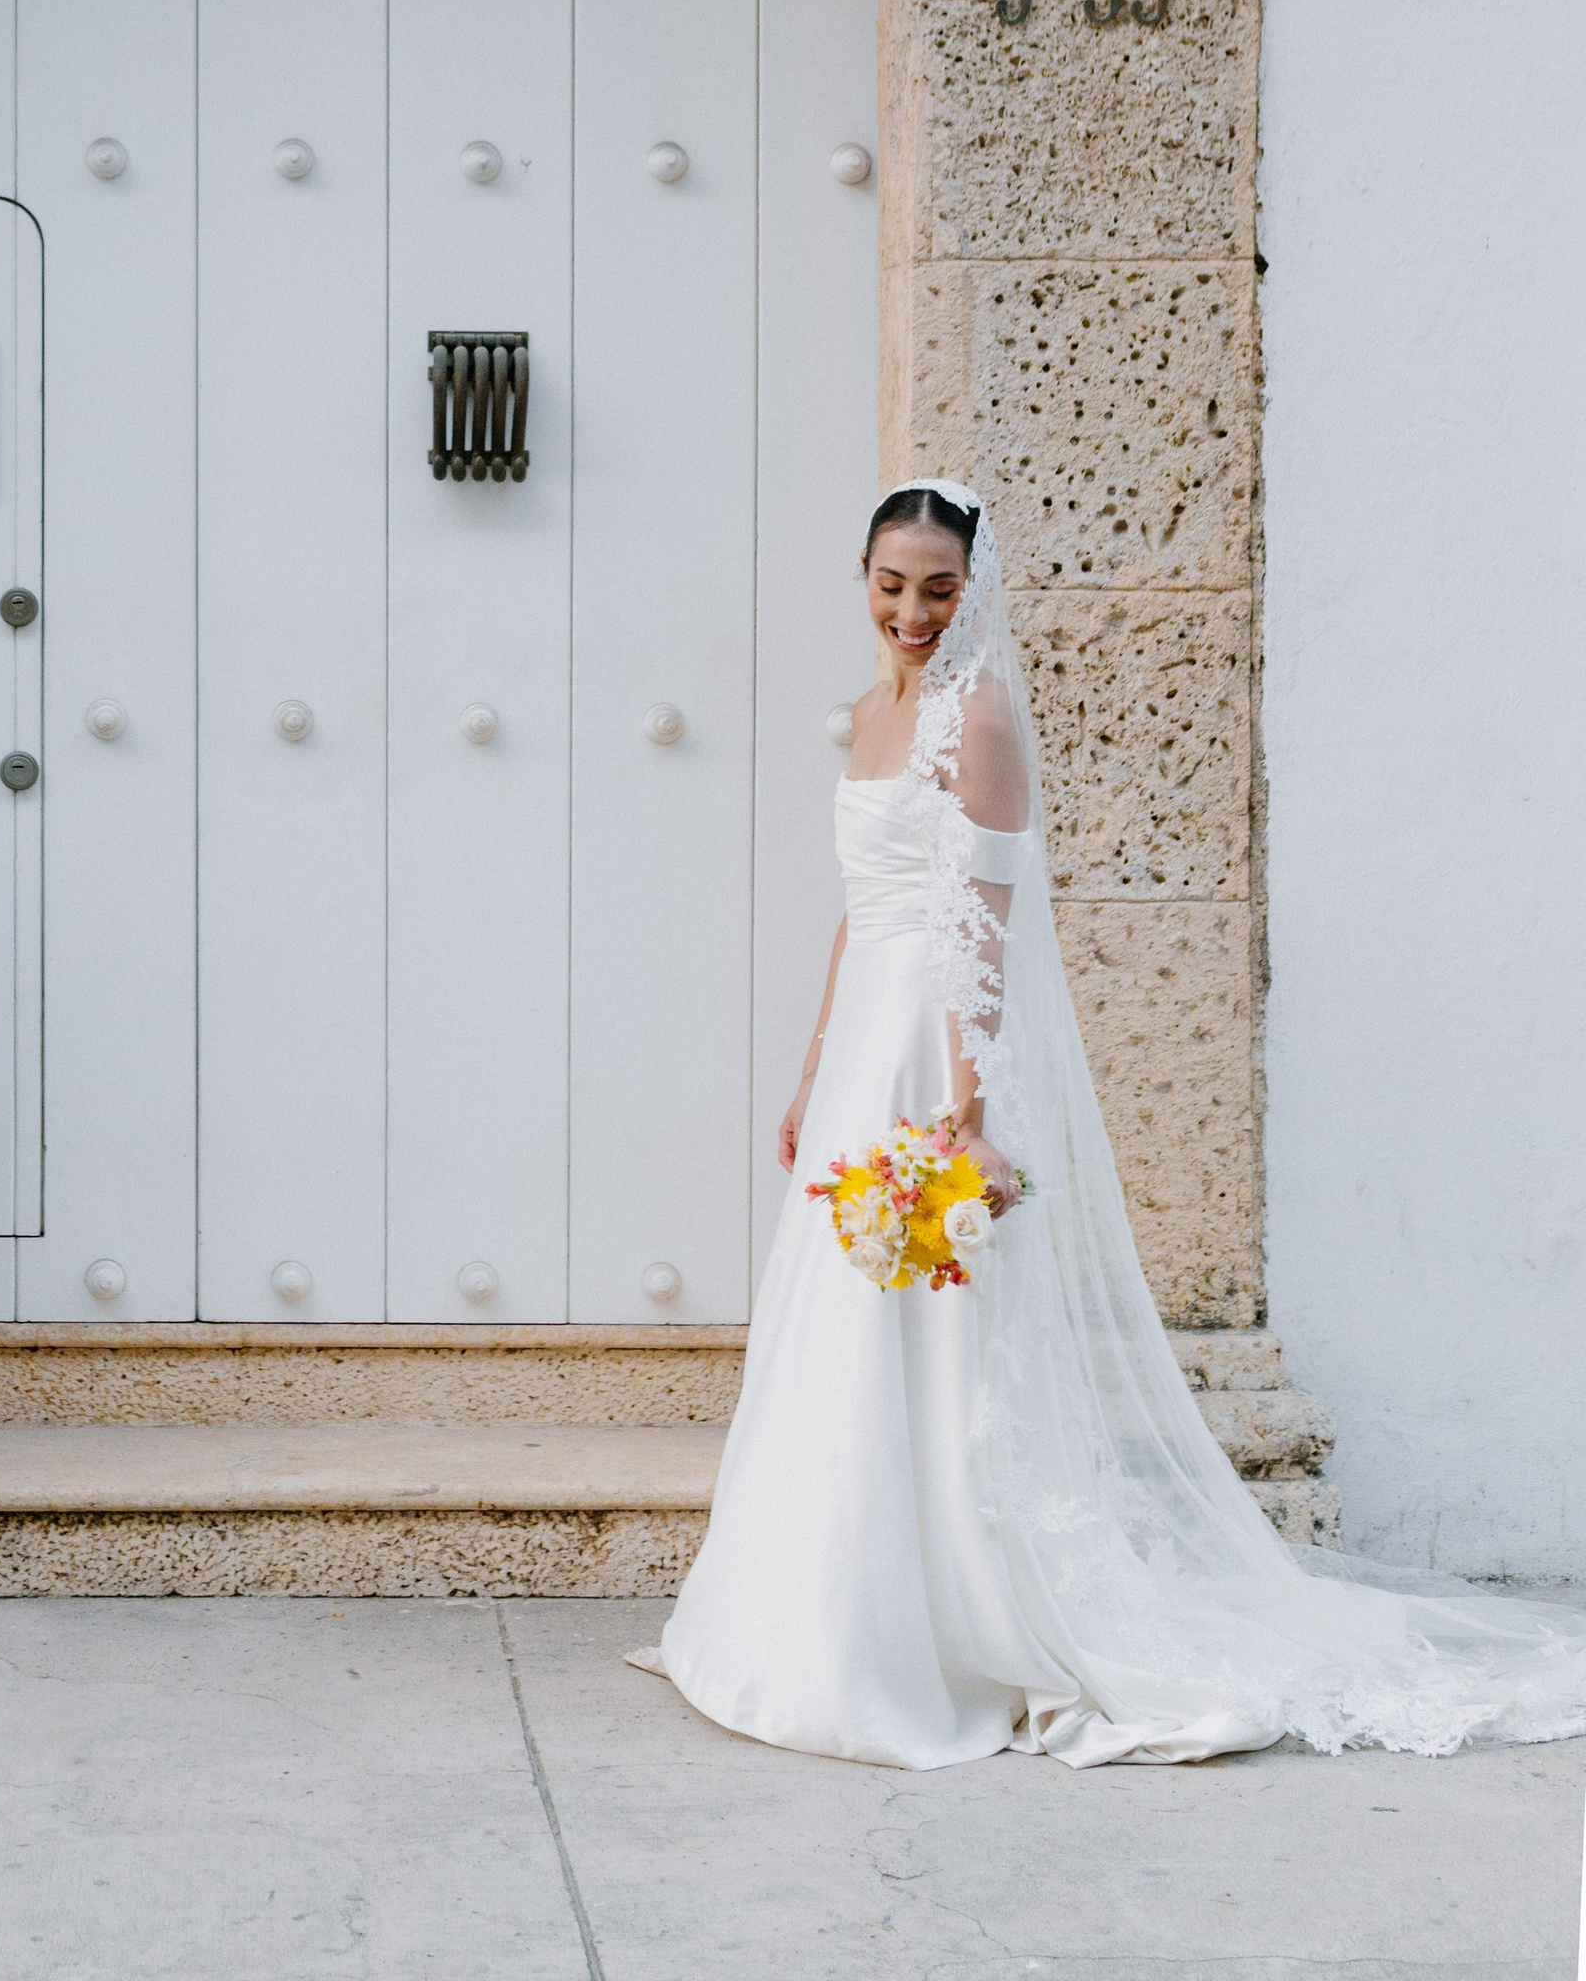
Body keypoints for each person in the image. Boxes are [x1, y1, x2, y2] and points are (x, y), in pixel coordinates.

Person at [633, 478, 1586, 1766]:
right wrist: (811, 1073)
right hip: (867, 1032)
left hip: (934, 1049)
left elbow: (986, 931)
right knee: (838, 1305)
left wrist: (965, 1113)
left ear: (973, 591)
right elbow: (863, 910)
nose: (910, 610)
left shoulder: (979, 721)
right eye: (889, 581)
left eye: (937, 587)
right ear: (859, 574)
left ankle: (937, 1622)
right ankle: (808, 1612)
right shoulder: (869, 715)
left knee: (926, 1311)